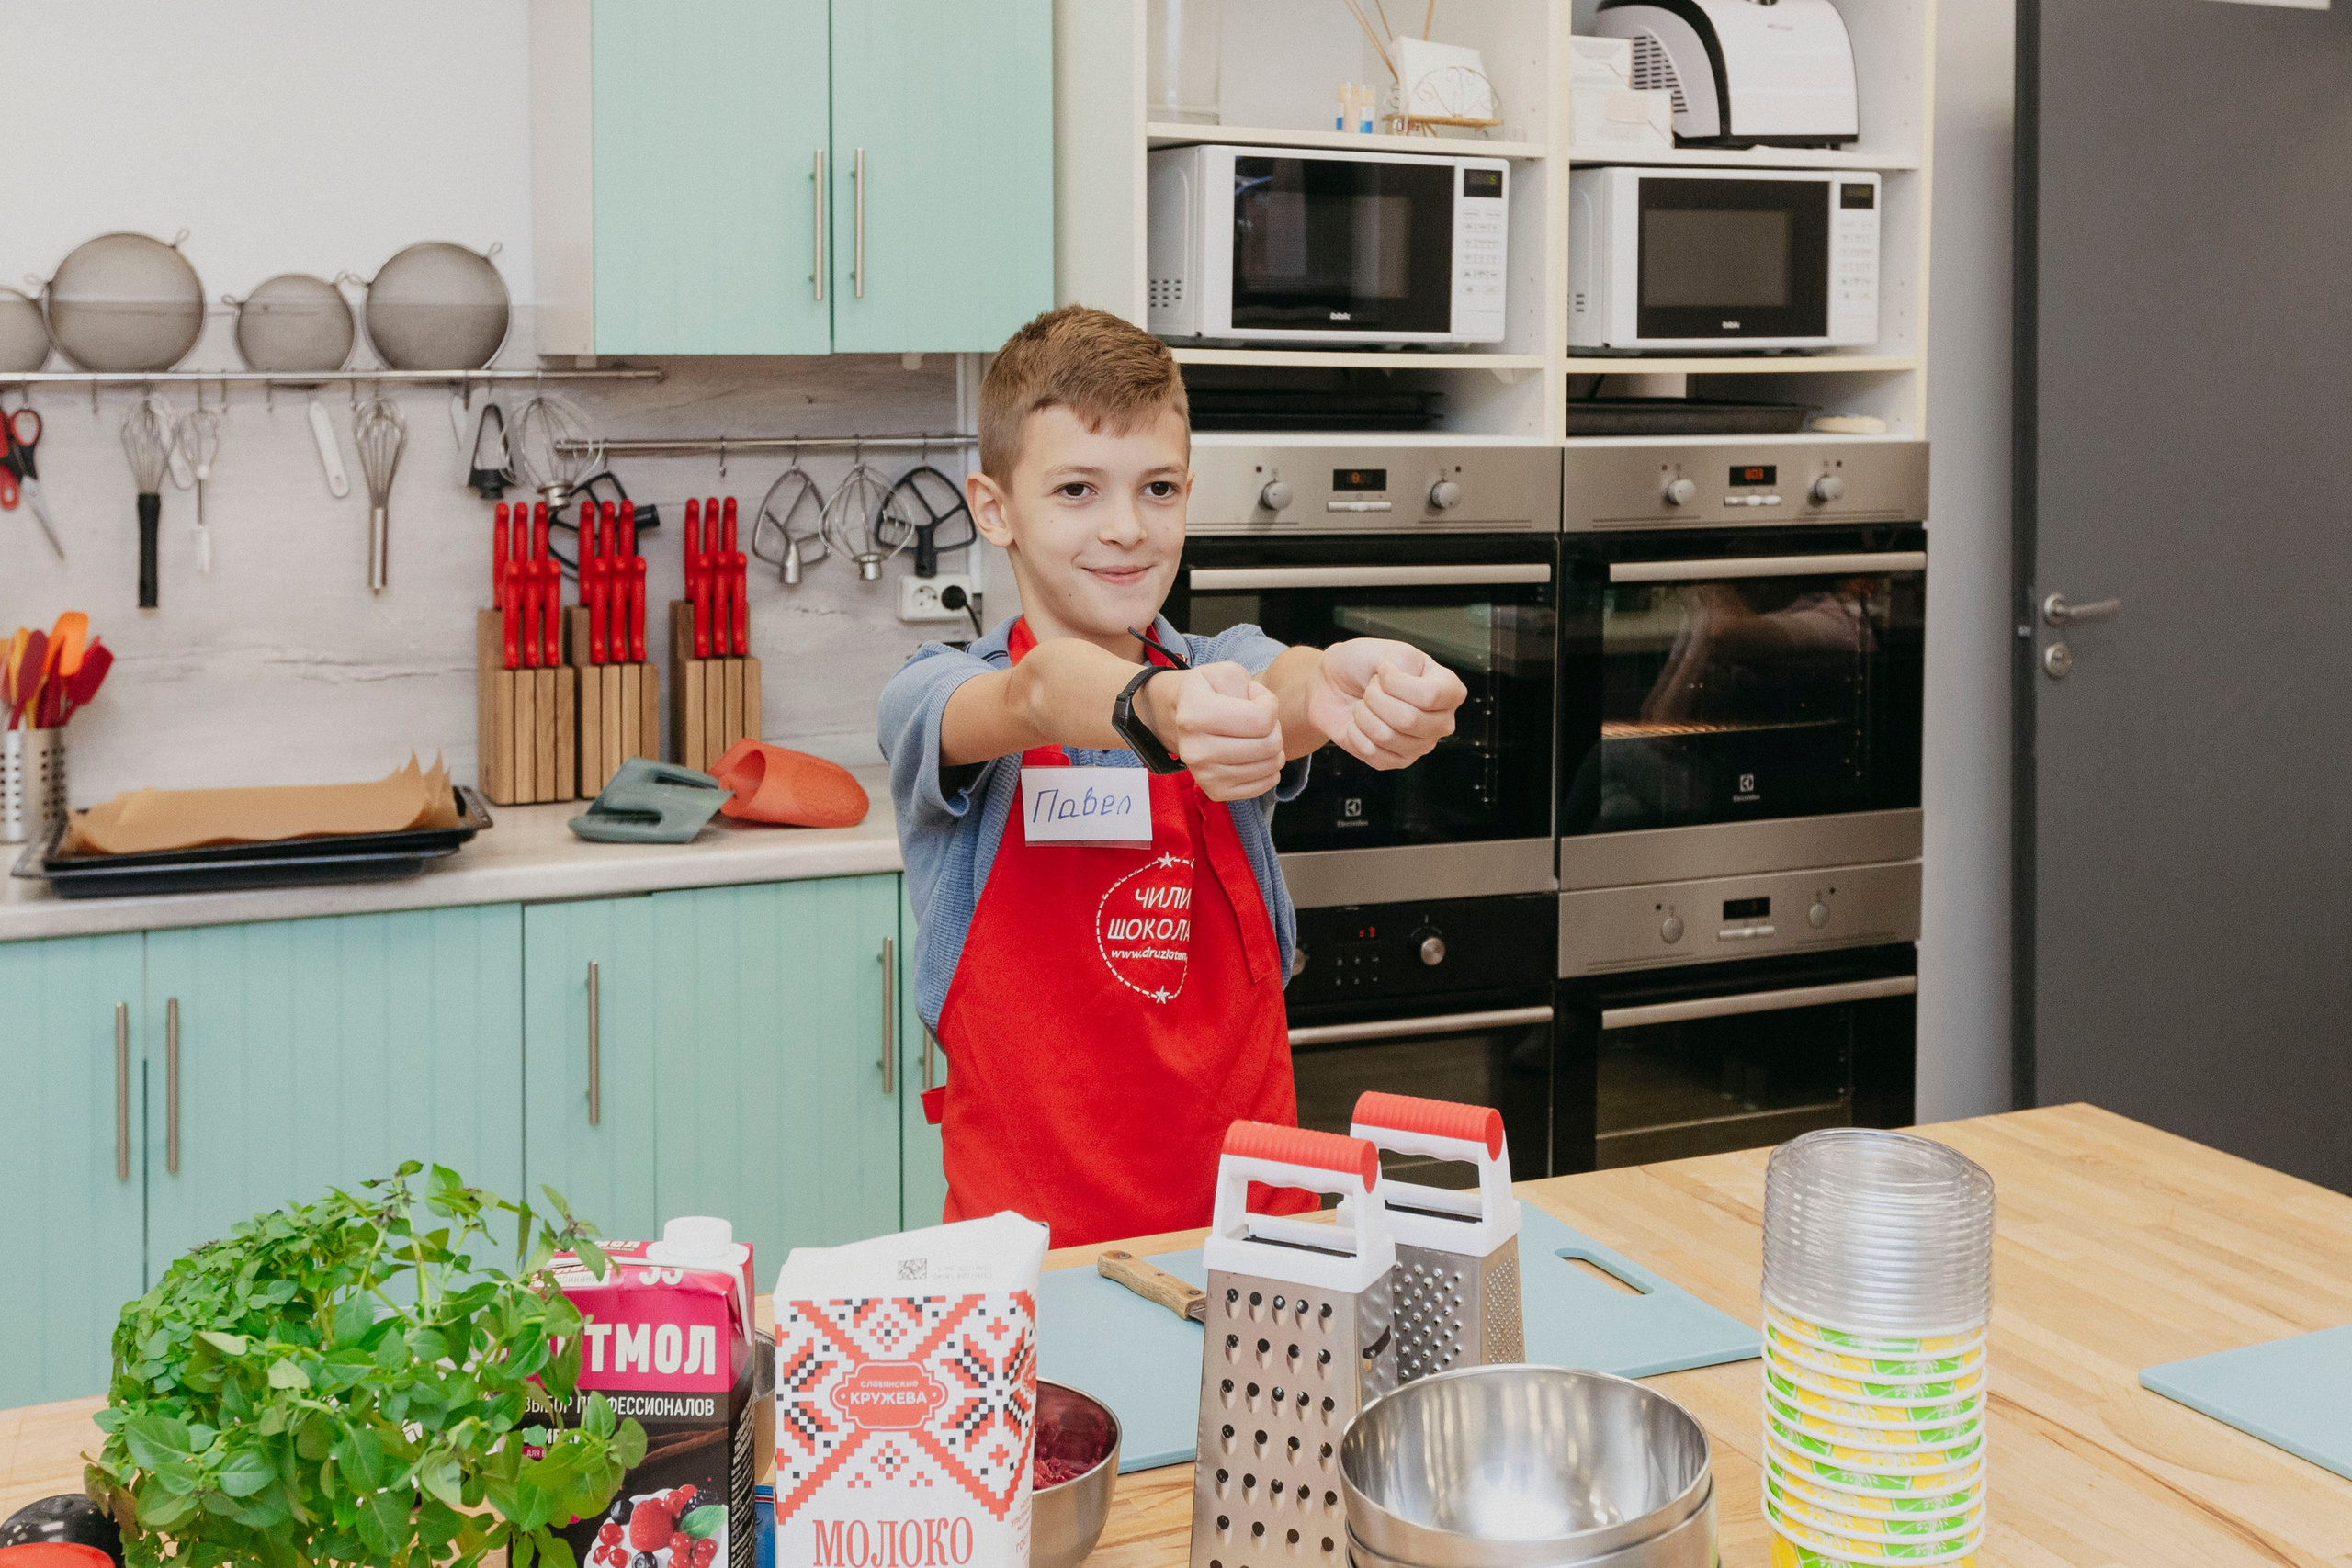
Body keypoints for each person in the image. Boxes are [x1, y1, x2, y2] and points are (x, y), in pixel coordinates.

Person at [879, 305, 1469, 1247]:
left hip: (1259, 1235)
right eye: (1076, 490)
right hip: (1033, 1255)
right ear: (994, 508)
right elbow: (1037, 693)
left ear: (1188, 495)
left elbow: (1286, 682)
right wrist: (1153, 707)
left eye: (1156, 489)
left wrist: (1349, 685)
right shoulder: (939, 696)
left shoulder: (1220, 664)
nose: (1125, 528)